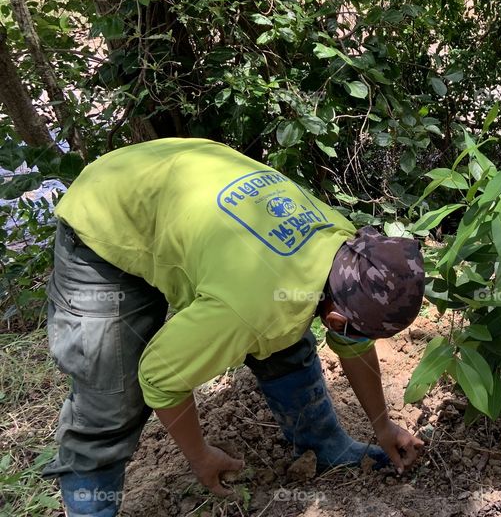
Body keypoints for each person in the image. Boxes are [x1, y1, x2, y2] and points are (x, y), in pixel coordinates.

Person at [42, 138, 426, 516]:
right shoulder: (254, 304)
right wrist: (200, 455)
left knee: (283, 325)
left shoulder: (345, 246)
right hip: (107, 212)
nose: (355, 341)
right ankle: (91, 510)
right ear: (336, 319)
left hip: (175, 178)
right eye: (353, 332)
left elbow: (348, 339)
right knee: (111, 398)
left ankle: (323, 446)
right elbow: (160, 378)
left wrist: (382, 424)